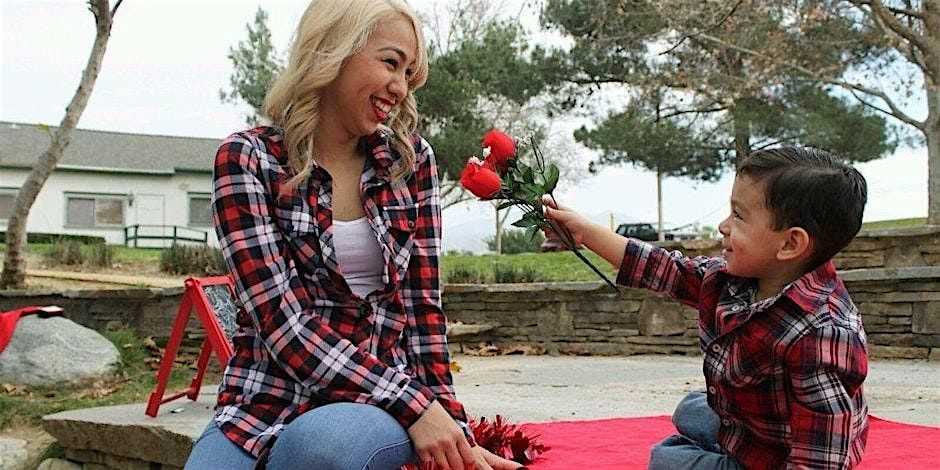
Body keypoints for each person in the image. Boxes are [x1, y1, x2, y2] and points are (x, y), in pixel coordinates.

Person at [185, 1, 521, 469]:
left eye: (408, 72)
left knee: (324, 446)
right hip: (262, 403)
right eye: (390, 63)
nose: (401, 87)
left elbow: (422, 311)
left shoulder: (410, 163)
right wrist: (417, 404)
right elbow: (283, 323)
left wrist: (450, 429)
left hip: (376, 405)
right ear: (333, 51)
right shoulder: (247, 159)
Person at [544, 147, 869, 469]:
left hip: (781, 455)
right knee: (692, 409)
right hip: (756, 426)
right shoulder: (733, 279)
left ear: (789, 243)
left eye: (738, 215)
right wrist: (585, 232)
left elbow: (821, 459)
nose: (723, 226)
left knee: (667, 460)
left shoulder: (823, 333)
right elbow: (664, 269)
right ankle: (721, 443)